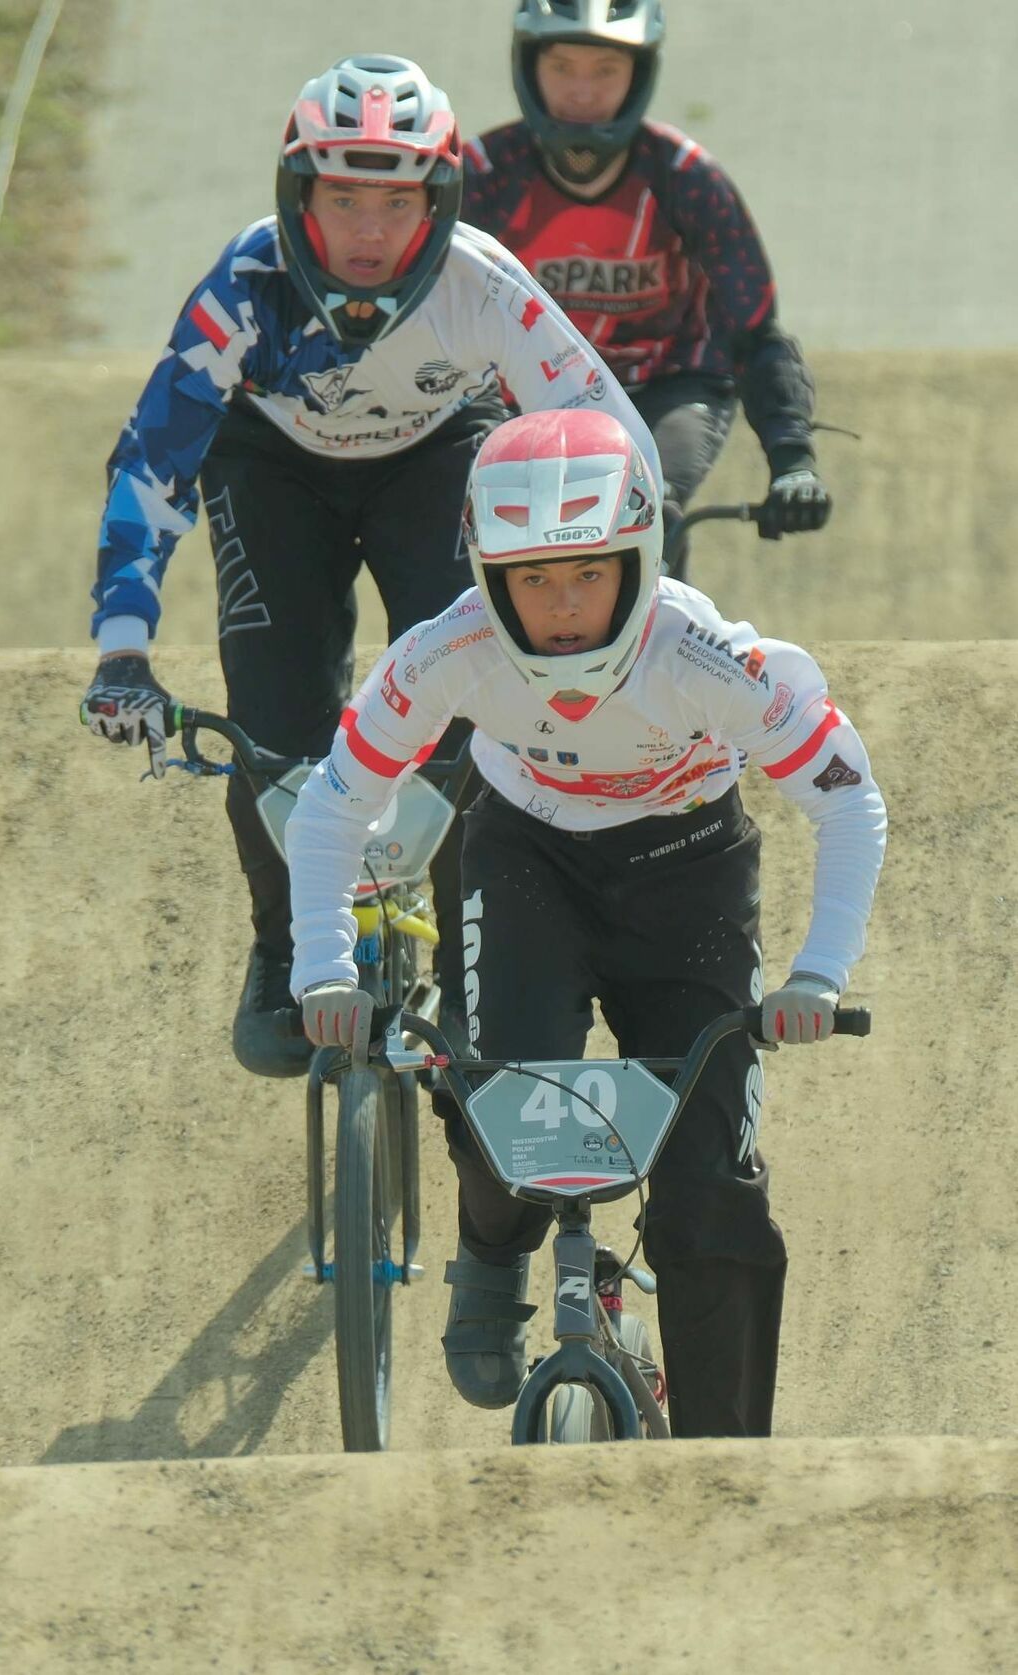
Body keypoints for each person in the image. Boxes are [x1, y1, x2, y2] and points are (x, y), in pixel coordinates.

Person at [285, 407, 885, 1438]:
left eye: (587, 575)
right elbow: (337, 800)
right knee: (504, 1105)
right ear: (490, 578)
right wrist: (323, 970)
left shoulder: (706, 654)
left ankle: (726, 1467)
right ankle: (491, 1260)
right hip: (527, 857)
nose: (561, 608)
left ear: (638, 558)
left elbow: (848, 795)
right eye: (532, 580)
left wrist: (818, 976)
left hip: (690, 871)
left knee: (713, 1194)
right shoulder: (448, 651)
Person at [80, 52, 662, 1080]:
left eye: (395, 202)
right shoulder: (245, 284)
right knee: (273, 718)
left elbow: (613, 433)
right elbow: (151, 463)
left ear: (438, 201)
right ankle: (281, 951)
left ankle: (477, 952)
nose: (366, 231)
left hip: (437, 457)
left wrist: (636, 601)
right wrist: (124, 649)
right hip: (272, 470)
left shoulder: (483, 281)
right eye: (340, 198)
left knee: (478, 694)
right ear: (296, 196)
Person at [461, 0, 830, 579]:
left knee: (642, 512)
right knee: (492, 524)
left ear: (640, 75)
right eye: (562, 68)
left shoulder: (687, 178)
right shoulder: (479, 177)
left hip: (667, 387)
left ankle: (656, 656)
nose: (582, 92)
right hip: (521, 392)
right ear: (528, 68)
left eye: (605, 71)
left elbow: (754, 330)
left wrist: (793, 463)